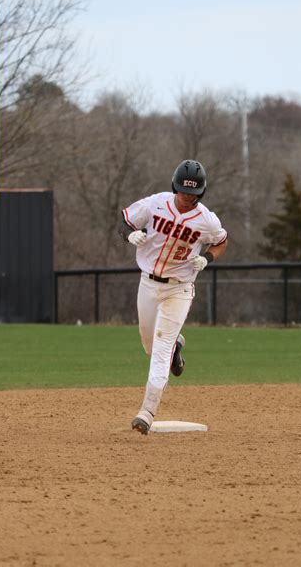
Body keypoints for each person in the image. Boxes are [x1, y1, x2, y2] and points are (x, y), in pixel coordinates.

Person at [120, 159, 228, 435]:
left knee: (160, 348)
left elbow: (221, 241)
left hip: (179, 288)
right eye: (182, 191)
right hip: (148, 283)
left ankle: (147, 411)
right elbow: (125, 222)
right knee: (148, 345)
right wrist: (130, 235)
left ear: (200, 194)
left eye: (192, 194)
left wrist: (207, 258)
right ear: (174, 187)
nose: (186, 197)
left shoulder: (206, 219)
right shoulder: (156, 203)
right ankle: (176, 346)